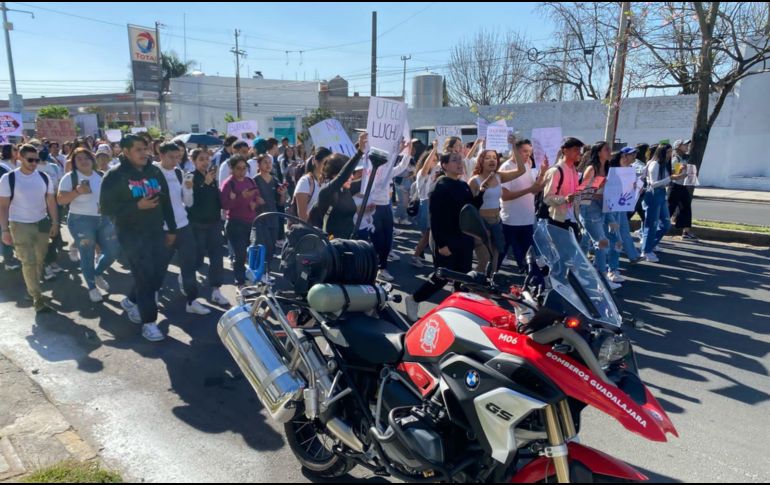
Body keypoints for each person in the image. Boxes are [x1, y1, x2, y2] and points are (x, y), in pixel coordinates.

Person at [100, 135, 177, 342]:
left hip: (156, 232)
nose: (144, 153)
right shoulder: (115, 176)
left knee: (157, 277)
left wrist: (172, 229)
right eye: (138, 150)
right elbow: (106, 209)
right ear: (125, 151)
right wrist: (136, 206)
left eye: (145, 148)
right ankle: (149, 323)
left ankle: (131, 300)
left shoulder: (154, 171)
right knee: (145, 278)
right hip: (131, 236)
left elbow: (166, 201)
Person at [404, 152, 483, 321]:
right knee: (442, 277)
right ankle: (413, 299)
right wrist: (441, 244)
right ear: (444, 165)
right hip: (446, 239)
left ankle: (457, 312)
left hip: (464, 238)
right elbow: (435, 218)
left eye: (460, 160)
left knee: (464, 278)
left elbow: (471, 208)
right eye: (455, 160)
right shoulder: (439, 186)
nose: (460, 164)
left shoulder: (463, 185)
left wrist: (482, 191)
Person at [0, 144, 59, 313]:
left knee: (40, 259)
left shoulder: (43, 177)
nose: (34, 163)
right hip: (19, 224)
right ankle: (36, 297)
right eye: (30, 159)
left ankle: (32, 290)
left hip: (41, 222)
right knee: (28, 261)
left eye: (37, 160)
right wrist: (5, 230)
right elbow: (3, 206)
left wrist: (55, 222)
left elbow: (51, 201)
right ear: (20, 158)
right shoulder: (8, 179)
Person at [154, 142, 210, 315]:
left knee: (189, 265)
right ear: (160, 155)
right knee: (160, 265)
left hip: (183, 225)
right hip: (163, 228)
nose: (175, 161)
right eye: (171, 157)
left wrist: (188, 190)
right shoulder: (153, 173)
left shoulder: (179, 172)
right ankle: (152, 294)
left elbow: (188, 203)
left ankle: (191, 300)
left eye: (178, 157)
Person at [57, 148, 120, 303]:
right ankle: (92, 287)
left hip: (103, 218)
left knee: (113, 251)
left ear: (92, 160)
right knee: (87, 254)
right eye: (79, 159)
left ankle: (97, 273)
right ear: (74, 163)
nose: (84, 161)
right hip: (80, 220)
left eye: (86, 158)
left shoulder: (100, 175)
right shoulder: (70, 177)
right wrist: (77, 191)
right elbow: (60, 200)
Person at [468, 147, 527, 272]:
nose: (492, 160)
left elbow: (521, 170)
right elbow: (469, 207)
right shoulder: (474, 181)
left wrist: (513, 146)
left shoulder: (499, 176)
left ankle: (487, 289)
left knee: (494, 262)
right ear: (481, 161)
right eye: (488, 158)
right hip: (480, 223)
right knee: (483, 261)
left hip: (496, 222)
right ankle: (470, 285)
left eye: (495, 158)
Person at [362, 137, 412, 282]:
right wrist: (398, 150)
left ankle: (382, 267)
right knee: (378, 240)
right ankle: (378, 268)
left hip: (386, 208)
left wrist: (407, 152)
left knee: (387, 240)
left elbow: (401, 167)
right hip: (374, 208)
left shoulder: (388, 170)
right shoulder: (369, 170)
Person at [186, 148, 229, 306]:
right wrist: (204, 184)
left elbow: (216, 199)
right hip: (197, 224)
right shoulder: (189, 177)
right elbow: (190, 202)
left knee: (217, 256)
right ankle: (187, 285)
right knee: (197, 257)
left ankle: (216, 290)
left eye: (207, 159)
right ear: (194, 161)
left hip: (214, 223)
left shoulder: (212, 177)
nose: (205, 162)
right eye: (201, 159)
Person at [500, 139, 547, 273]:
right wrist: (529, 190)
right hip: (510, 220)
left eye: (530, 152)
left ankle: (533, 281)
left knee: (528, 256)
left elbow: (535, 189)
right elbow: (504, 196)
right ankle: (489, 280)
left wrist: (543, 172)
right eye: (525, 151)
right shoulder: (506, 167)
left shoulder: (528, 164)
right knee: (502, 253)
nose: (528, 155)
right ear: (515, 151)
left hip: (527, 219)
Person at [309, 133, 368, 240]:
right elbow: (343, 176)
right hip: (332, 247)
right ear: (334, 175)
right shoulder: (327, 191)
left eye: (353, 173)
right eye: (349, 173)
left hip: (349, 243)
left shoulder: (346, 189)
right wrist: (359, 152)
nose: (352, 176)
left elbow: (370, 180)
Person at [578, 141, 619, 288]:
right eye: (606, 149)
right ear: (598, 152)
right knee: (602, 243)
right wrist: (599, 187)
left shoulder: (607, 168)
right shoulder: (592, 168)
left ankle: (582, 274)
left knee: (587, 242)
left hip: (602, 207)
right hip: (590, 208)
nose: (609, 151)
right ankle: (602, 280)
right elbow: (583, 192)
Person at [220, 155, 264, 288]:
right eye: (238, 168)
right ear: (232, 169)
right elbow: (224, 205)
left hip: (251, 222)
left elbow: (257, 197)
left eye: (244, 168)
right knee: (239, 254)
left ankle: (251, 277)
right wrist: (240, 197)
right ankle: (240, 281)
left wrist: (255, 203)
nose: (242, 171)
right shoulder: (228, 183)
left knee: (252, 252)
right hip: (235, 223)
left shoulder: (250, 181)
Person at [641, 143, 685, 262]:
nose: (670, 154)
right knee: (651, 224)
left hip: (661, 194)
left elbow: (666, 181)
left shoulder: (664, 164)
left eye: (671, 152)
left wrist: (676, 174)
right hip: (653, 194)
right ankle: (646, 250)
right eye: (668, 152)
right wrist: (671, 178)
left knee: (666, 224)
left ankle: (650, 245)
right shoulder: (654, 164)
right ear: (662, 152)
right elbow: (653, 184)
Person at [253, 154, 288, 269]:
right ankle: (259, 272)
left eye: (270, 162)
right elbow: (249, 200)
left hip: (273, 218)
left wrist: (283, 194)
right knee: (262, 246)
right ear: (259, 165)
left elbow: (281, 203)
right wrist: (256, 200)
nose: (268, 165)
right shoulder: (254, 180)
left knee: (272, 248)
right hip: (260, 219)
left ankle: (266, 272)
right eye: (265, 162)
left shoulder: (275, 181)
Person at [542, 137, 583, 235]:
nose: (579, 153)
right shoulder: (556, 171)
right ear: (565, 150)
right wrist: (564, 199)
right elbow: (547, 198)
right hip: (559, 220)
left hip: (573, 218)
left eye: (579, 150)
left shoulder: (574, 170)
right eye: (576, 149)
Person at [36, 145, 65, 279]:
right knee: (42, 236)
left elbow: (59, 183)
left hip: (54, 203)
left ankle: (51, 261)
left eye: (42, 149)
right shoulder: (33, 168)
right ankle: (44, 265)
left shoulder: (53, 167)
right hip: (39, 205)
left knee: (55, 234)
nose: (41, 152)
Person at [411, 140, 441, 268]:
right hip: (425, 204)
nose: (434, 163)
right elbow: (426, 167)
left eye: (436, 160)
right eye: (432, 160)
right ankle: (416, 256)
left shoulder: (436, 173)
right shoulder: (421, 174)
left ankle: (419, 254)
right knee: (428, 234)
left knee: (429, 235)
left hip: (433, 204)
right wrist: (434, 149)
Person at [669, 139, 698, 241]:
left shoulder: (683, 159)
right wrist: (681, 174)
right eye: (684, 145)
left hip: (683, 186)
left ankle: (686, 232)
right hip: (675, 187)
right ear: (678, 147)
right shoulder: (675, 159)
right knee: (669, 209)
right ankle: (657, 228)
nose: (687, 146)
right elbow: (672, 174)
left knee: (686, 207)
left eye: (687, 145)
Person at [292, 148, 330, 223]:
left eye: (330, 163)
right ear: (315, 162)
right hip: (311, 231)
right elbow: (302, 216)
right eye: (325, 163)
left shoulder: (327, 181)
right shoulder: (305, 182)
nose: (328, 166)